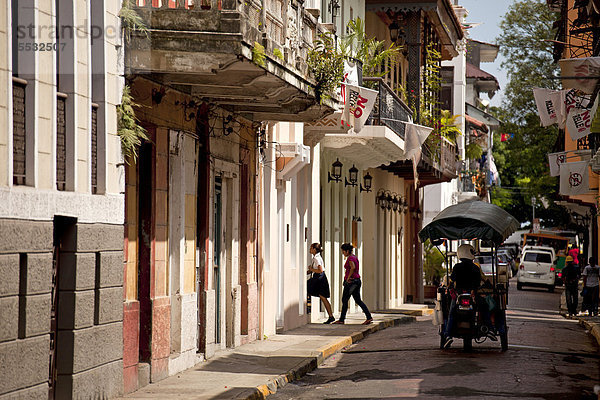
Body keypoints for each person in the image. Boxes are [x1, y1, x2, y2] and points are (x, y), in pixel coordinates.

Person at [442, 244, 483, 348]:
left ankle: (448, 335)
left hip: (458, 295)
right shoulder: (475, 267)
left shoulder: (457, 267)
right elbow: (478, 283)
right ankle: (486, 328)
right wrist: (473, 291)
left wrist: (449, 286)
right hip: (472, 295)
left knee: (451, 313)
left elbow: (452, 281)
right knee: (481, 309)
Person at [333, 243, 373, 325]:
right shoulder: (354, 257)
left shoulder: (350, 258)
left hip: (352, 282)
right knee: (358, 300)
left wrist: (348, 278)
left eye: (343, 251)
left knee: (345, 299)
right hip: (357, 281)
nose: (343, 253)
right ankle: (369, 317)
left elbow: (353, 267)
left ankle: (341, 319)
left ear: (347, 251)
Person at [306, 243, 335, 324]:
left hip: (319, 278)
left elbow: (320, 270)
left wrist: (311, 269)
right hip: (319, 278)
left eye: (311, 248)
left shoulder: (316, 258)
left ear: (314, 249)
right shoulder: (316, 257)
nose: (310, 249)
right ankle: (331, 316)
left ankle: (308, 308)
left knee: (322, 296)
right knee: (323, 297)